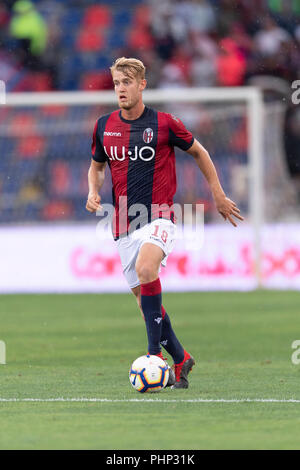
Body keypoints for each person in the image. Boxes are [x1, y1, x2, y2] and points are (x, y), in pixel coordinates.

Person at [86, 57, 243, 389]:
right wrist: (92, 191)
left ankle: (153, 355)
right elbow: (97, 165)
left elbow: (199, 152)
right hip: (123, 224)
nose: (121, 89)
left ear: (142, 85)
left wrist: (217, 193)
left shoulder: (166, 123)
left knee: (147, 270)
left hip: (159, 216)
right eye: (116, 83)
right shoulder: (104, 125)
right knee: (146, 302)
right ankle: (182, 357)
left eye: (127, 82)